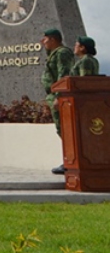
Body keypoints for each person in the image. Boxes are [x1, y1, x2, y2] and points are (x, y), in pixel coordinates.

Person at [41, 28, 74, 175]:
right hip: (53, 96)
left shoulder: (62, 53)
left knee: (65, 130)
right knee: (61, 130)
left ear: (53, 39)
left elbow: (63, 75)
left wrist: (59, 96)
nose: (43, 41)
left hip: (59, 97)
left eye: (45, 39)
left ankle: (71, 161)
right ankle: (69, 160)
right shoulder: (54, 53)